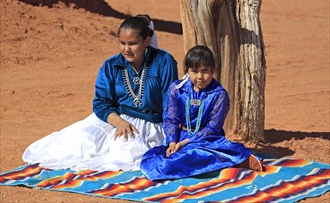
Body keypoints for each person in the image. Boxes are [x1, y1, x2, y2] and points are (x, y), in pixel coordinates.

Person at [22, 15, 178, 172]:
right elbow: (101, 102)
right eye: (122, 43)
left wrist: (171, 138)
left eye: (132, 44)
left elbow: (170, 104)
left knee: (126, 153)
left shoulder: (164, 61)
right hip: (116, 118)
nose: (126, 49)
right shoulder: (111, 65)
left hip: (150, 124)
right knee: (82, 141)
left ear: (146, 41)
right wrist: (119, 122)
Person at [140, 45, 263, 181]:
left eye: (205, 71)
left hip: (208, 139)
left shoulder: (219, 94)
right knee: (153, 158)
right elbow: (171, 119)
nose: (200, 77)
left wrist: (185, 143)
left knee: (190, 154)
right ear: (187, 70)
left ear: (213, 70)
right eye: (194, 71)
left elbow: (213, 128)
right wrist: (172, 142)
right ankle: (228, 160)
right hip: (179, 138)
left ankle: (238, 159)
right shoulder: (177, 89)